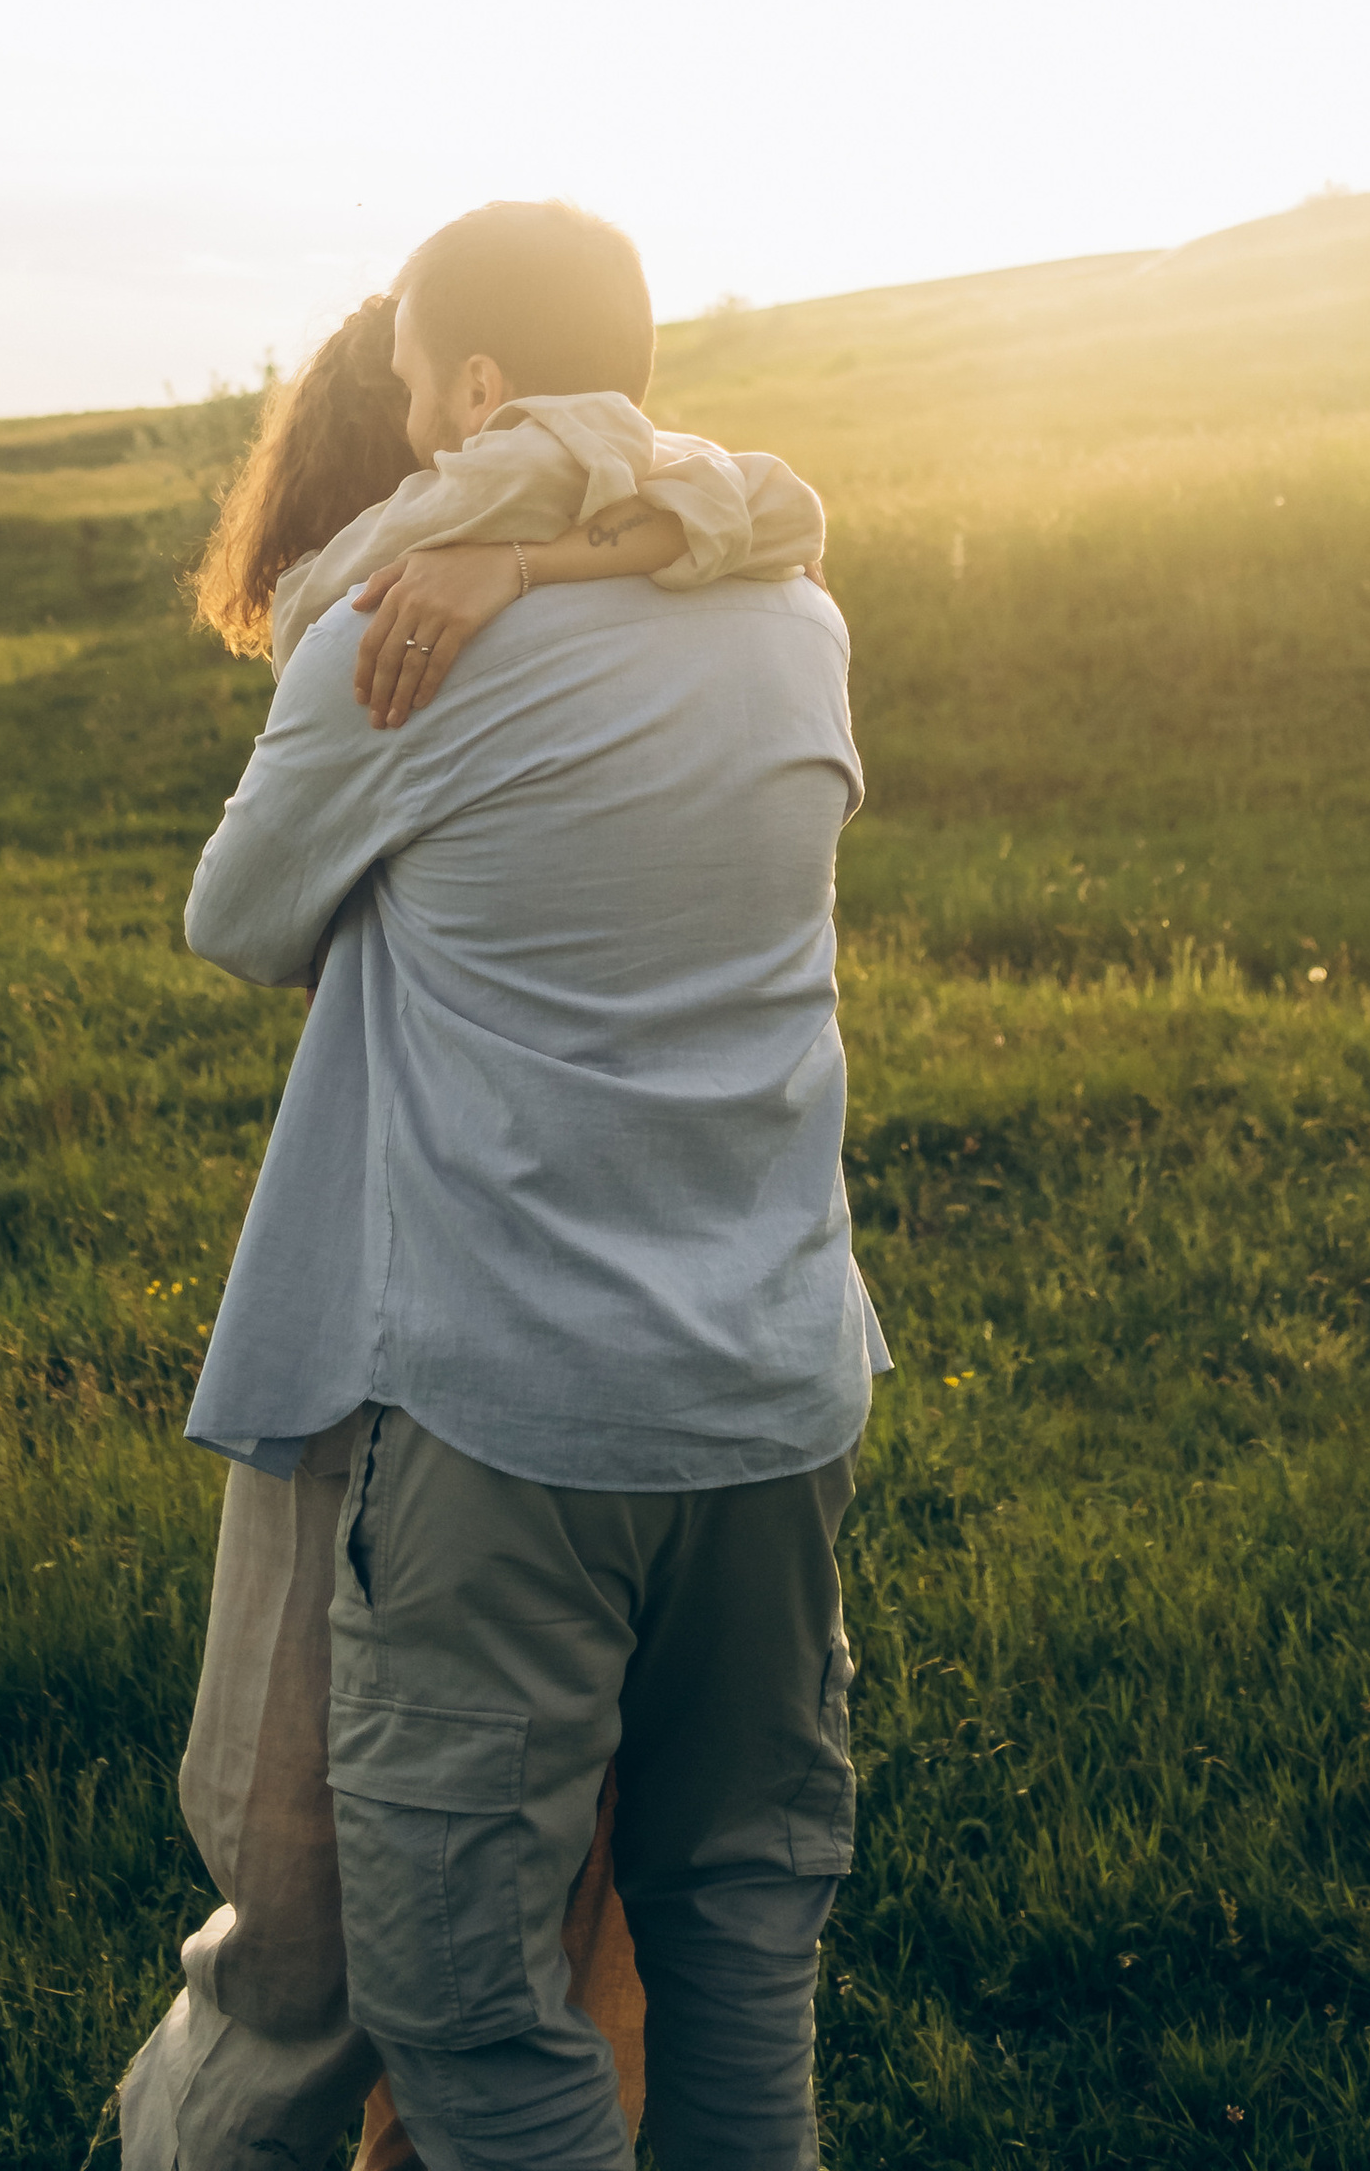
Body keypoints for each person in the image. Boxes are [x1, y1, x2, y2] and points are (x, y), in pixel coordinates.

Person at [123, 202, 882, 2171]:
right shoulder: (797, 620)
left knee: (462, 1997)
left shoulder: (401, 642)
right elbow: (760, 514)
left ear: (468, 388)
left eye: (404, 389)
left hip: (509, 1411)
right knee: (734, 1935)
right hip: (779, 1395)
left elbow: (239, 925)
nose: (394, 423)